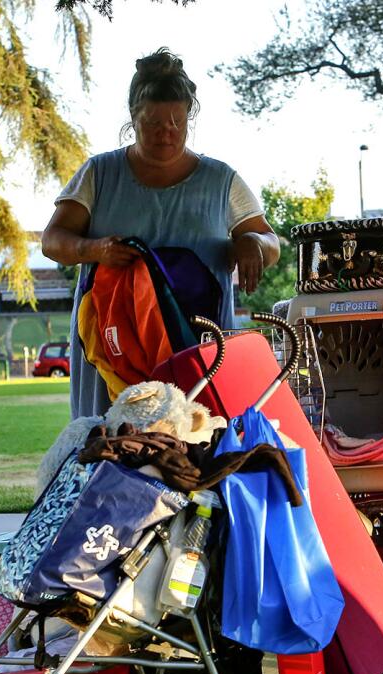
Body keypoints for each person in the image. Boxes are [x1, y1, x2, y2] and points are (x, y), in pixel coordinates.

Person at [41, 48, 280, 418]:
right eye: (152, 123)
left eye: (176, 123)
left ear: (189, 118)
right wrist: (94, 249)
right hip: (115, 349)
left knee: (200, 442)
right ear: (133, 118)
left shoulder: (221, 180)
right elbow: (52, 241)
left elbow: (271, 242)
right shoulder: (99, 173)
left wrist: (252, 242)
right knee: (112, 446)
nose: (166, 133)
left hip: (199, 351)